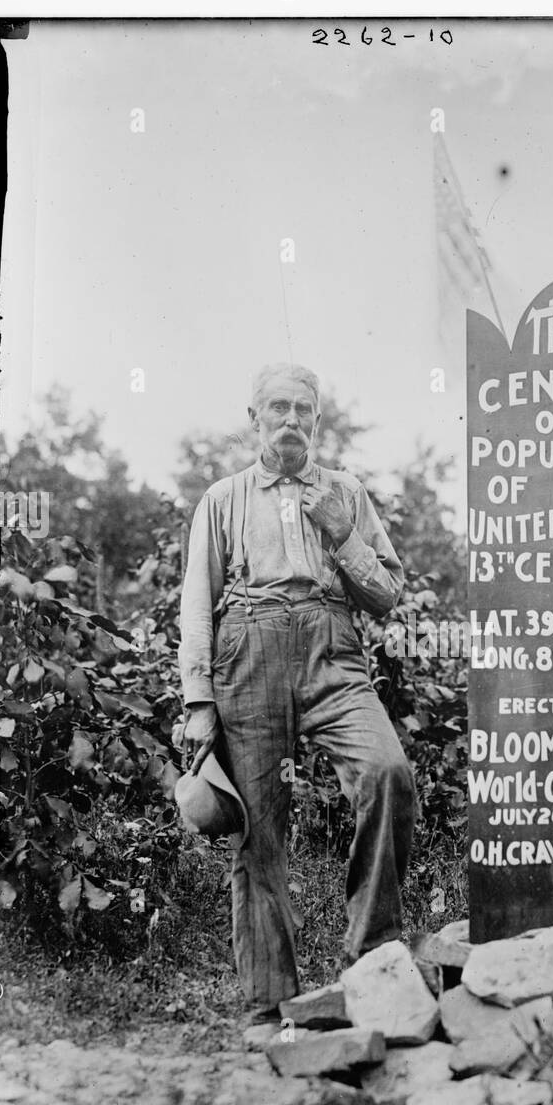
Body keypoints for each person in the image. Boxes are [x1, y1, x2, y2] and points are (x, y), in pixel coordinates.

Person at [178, 362, 415, 1043]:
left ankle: (369, 962)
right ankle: (266, 1005)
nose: (290, 420)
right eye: (276, 408)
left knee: (387, 773)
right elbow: (198, 601)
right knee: (259, 826)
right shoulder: (223, 498)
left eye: (302, 409)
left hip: (331, 650)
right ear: (254, 419)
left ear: (317, 419)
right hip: (248, 650)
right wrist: (199, 698)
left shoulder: (346, 492)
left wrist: (342, 534)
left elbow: (388, 595)